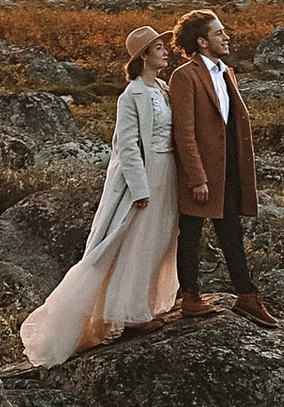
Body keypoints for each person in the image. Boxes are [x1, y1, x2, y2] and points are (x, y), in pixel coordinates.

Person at [18, 25, 180, 365]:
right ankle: (131, 312)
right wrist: (139, 187)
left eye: (164, 46)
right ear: (144, 57)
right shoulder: (130, 95)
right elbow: (126, 146)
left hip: (169, 172)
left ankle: (145, 305)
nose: (166, 51)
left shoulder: (163, 89)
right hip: (148, 175)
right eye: (158, 48)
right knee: (132, 240)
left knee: (158, 238)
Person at [166, 6, 274, 322]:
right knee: (190, 234)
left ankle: (246, 295)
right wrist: (197, 178)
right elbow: (183, 132)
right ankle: (190, 297)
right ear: (201, 42)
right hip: (200, 173)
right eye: (219, 32)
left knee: (232, 232)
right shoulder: (184, 76)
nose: (226, 36)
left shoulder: (226, 72)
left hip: (228, 171)